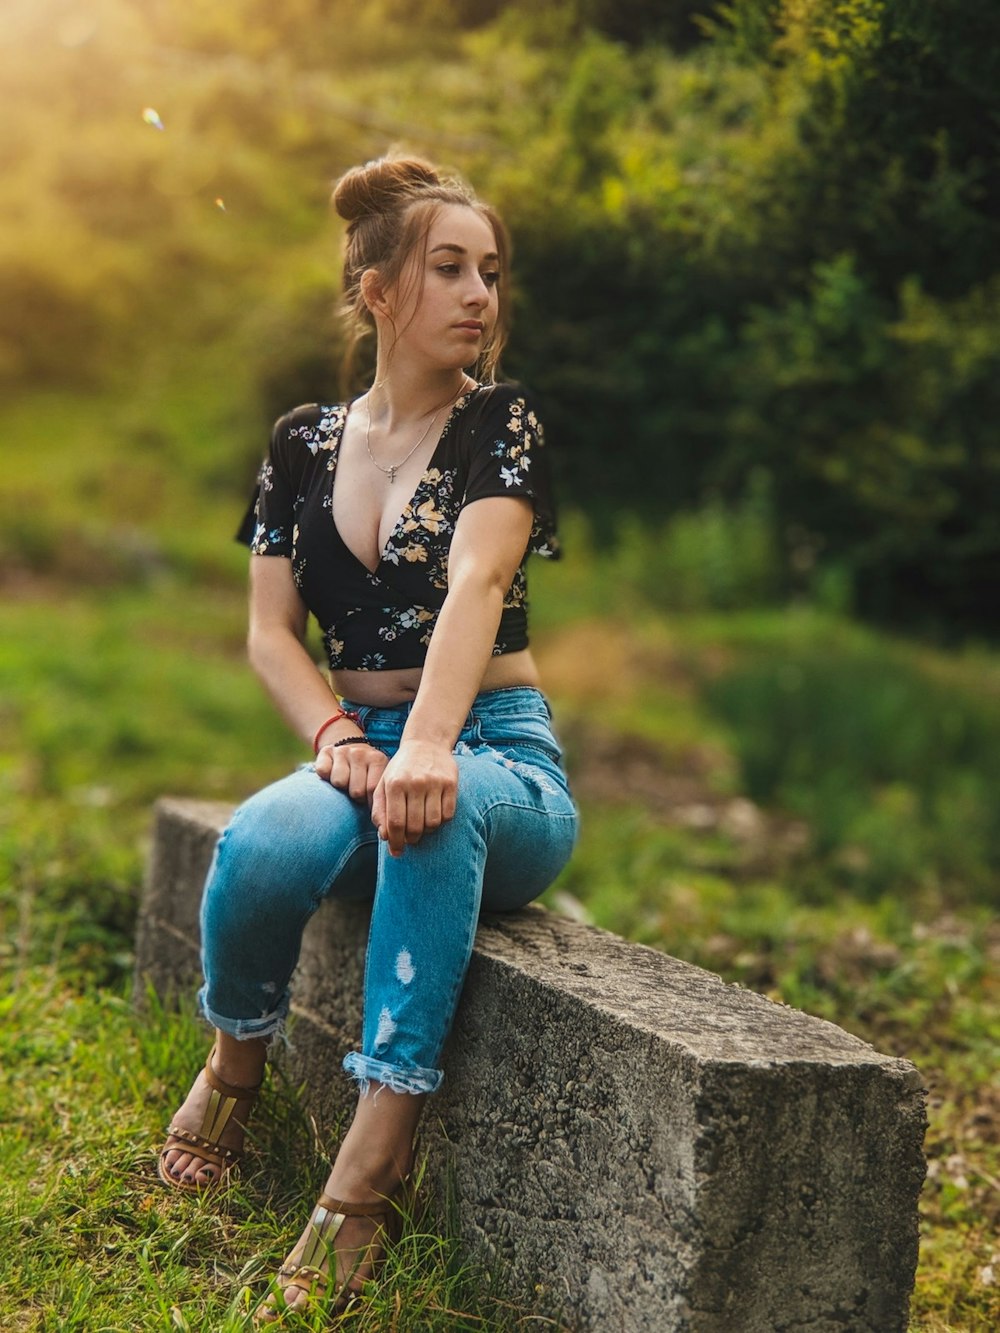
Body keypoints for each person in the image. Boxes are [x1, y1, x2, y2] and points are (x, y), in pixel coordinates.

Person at [157, 154, 578, 1320]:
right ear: (378, 288)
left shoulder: (502, 421)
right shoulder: (302, 441)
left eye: (489, 272)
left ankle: (370, 1167)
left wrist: (432, 745)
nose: (479, 295)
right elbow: (268, 633)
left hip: (495, 747)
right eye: (449, 269)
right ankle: (235, 1072)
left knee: (430, 824)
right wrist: (341, 733)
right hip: (362, 740)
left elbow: (478, 582)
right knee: (263, 842)